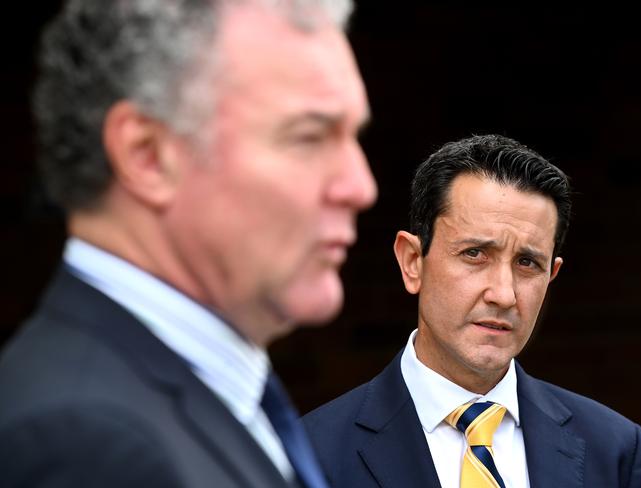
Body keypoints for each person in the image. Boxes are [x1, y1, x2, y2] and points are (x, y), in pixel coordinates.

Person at [0, 0, 376, 487]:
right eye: (308, 137)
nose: (360, 186)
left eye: (354, 137)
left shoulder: (204, 393)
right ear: (148, 156)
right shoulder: (87, 444)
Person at [302, 134, 641, 487]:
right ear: (412, 263)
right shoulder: (309, 455)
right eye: (474, 254)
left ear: (551, 277)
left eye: (527, 262)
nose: (503, 294)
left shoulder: (617, 451)